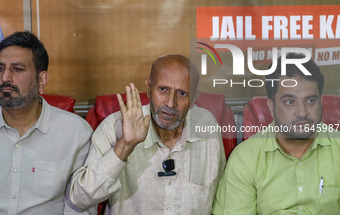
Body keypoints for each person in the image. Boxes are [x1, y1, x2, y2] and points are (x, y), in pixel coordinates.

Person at [69, 54, 226, 214]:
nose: (170, 103)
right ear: (149, 88)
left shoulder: (206, 125)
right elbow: (79, 199)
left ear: (194, 99)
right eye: (163, 90)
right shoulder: (115, 125)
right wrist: (125, 145)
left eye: (182, 94)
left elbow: (221, 196)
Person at [213, 53, 340, 215]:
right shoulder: (246, 158)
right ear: (271, 107)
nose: (302, 112)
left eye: (310, 100)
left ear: (321, 102)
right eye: (289, 102)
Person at [0, 31, 94, 214]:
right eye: (0, 68)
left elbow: (80, 207)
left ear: (41, 80)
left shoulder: (75, 133)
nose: (5, 78)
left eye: (17, 69)